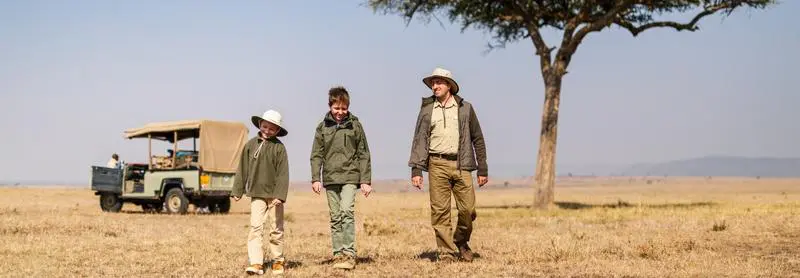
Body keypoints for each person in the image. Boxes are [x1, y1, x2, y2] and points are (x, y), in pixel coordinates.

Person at [408, 67, 488, 262]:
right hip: (437, 164)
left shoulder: (465, 108)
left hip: (462, 164)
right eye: (433, 83)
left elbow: (477, 138)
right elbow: (420, 140)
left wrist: (482, 167)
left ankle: (460, 240)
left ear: (449, 86)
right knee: (440, 211)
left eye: (439, 82)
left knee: (468, 210)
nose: (435, 86)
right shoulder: (427, 109)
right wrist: (416, 169)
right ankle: (446, 253)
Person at [310, 86, 373, 270]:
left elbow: (364, 153)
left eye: (343, 109)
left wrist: (366, 180)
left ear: (348, 107)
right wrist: (315, 178)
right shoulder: (322, 127)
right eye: (336, 108)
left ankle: (349, 254)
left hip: (350, 177)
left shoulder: (355, 125)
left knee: (347, 212)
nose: (340, 112)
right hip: (330, 179)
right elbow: (316, 154)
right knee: (335, 216)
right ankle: (338, 255)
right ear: (330, 106)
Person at [231, 109, 290, 276]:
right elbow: (242, 169)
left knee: (275, 228)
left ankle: (278, 261)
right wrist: (238, 190)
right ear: (259, 124)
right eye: (265, 126)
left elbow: (283, 173)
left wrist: (280, 194)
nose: (267, 130)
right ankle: (256, 263)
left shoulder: (279, 148)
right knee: (255, 228)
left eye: (272, 129)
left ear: (277, 130)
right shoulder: (250, 145)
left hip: (274, 196)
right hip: (256, 193)